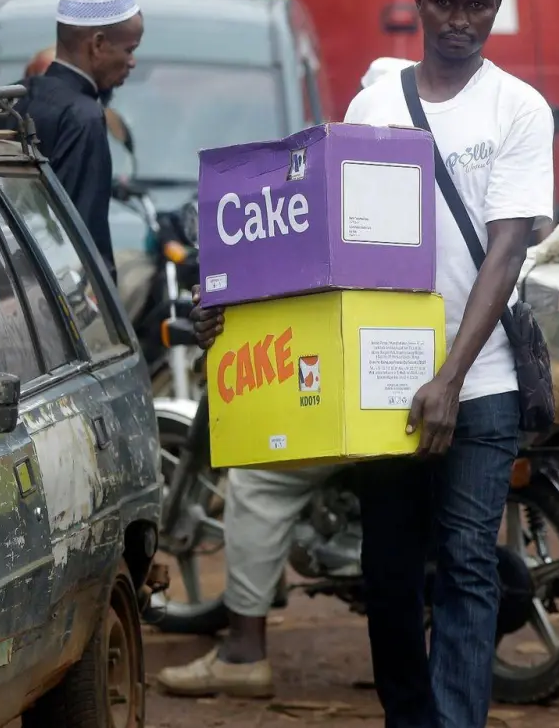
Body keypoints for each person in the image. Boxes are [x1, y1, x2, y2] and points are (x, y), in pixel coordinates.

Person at [190, 0, 556, 728]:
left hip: (481, 382)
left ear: (496, 6)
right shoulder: (376, 101)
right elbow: (320, 241)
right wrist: (235, 300)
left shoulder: (518, 108)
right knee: (391, 575)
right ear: (419, 1)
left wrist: (450, 381)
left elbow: (506, 252)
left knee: (464, 565)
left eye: (478, 0)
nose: (461, 15)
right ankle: (408, 716)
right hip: (386, 380)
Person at [155, 58, 425, 700]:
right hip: (445, 386)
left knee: (258, 479)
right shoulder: (448, 178)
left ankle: (245, 651)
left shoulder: (335, 185)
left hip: (363, 397)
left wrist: (218, 301)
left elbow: (276, 275)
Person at [17, 0, 145, 277]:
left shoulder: (17, 97)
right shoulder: (84, 117)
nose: (132, 62)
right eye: (129, 49)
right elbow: (83, 243)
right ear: (98, 44)